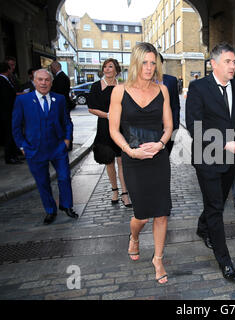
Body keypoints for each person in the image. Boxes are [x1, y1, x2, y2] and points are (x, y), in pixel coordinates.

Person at [186, 42, 235, 282]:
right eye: (228, 61)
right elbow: (195, 126)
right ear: (213, 64)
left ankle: (202, 226)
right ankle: (225, 261)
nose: (233, 66)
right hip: (207, 157)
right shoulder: (198, 88)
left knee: (217, 202)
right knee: (216, 208)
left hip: (231, 159)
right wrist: (226, 144)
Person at [109, 43, 173, 284]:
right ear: (135, 63)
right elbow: (113, 130)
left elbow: (168, 126)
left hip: (158, 158)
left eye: (153, 62)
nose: (149, 67)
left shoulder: (163, 90)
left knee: (162, 212)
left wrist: (161, 144)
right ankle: (134, 237)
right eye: (144, 62)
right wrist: (129, 152)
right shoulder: (119, 91)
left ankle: (158, 258)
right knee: (142, 216)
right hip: (133, 160)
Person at [12, 69, 78, 225]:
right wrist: (22, 146)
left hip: (57, 148)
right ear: (34, 82)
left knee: (64, 177)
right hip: (34, 149)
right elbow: (16, 126)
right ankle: (50, 210)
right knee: (42, 182)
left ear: (51, 82)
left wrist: (67, 140)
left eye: (47, 80)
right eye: (40, 80)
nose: (43, 83)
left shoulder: (59, 99)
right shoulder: (23, 101)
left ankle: (66, 205)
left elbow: (67, 121)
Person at [88, 58, 132, 208]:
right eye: (105, 67)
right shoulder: (95, 86)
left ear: (117, 70)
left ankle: (125, 193)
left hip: (121, 127)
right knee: (109, 161)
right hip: (104, 126)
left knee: (122, 161)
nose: (107, 69)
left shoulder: (123, 87)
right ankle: (114, 190)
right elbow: (91, 108)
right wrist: (108, 115)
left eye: (110, 67)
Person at [0, 62, 22, 164]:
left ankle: (14, 154)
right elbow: (6, 98)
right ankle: (10, 157)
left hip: (9, 112)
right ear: (7, 70)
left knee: (12, 133)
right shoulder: (2, 81)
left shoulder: (7, 80)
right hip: (7, 113)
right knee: (9, 135)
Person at [50, 61, 74, 151]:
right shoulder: (62, 77)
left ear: (55, 67)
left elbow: (58, 93)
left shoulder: (61, 78)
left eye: (51, 68)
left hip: (62, 105)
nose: (51, 70)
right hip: (63, 104)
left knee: (65, 124)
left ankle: (67, 143)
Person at [159, 54, 180, 154]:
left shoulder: (171, 80)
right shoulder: (143, 82)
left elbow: (175, 104)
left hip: (169, 127)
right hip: (151, 128)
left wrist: (175, 125)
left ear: (161, 63)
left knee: (166, 155)